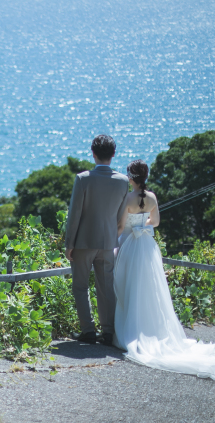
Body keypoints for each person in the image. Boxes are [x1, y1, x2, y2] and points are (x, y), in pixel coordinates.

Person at [113, 159, 215, 382]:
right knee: (150, 289)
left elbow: (120, 226)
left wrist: (117, 236)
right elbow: (155, 222)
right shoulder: (152, 198)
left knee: (129, 286)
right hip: (147, 245)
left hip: (130, 245)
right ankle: (149, 329)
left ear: (131, 177)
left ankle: (128, 330)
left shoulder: (127, 198)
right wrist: (142, 224)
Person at [65, 134, 129, 346]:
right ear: (113, 154)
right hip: (108, 242)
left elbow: (74, 214)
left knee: (80, 286)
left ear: (93, 153)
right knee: (106, 287)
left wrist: (69, 244)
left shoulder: (83, 179)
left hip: (83, 242)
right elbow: (120, 215)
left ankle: (88, 330)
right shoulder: (123, 181)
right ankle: (108, 332)